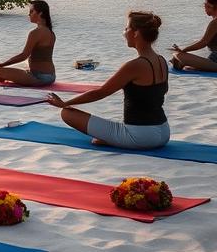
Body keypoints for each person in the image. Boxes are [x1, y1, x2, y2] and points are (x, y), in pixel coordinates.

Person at [46, 11, 169, 149]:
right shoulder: (161, 61)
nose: (124, 33)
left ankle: (115, 140)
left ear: (136, 33)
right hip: (164, 132)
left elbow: (100, 92)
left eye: (126, 28)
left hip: (140, 137)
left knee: (67, 113)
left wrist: (64, 103)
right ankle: (114, 139)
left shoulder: (135, 65)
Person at [0, 0, 56, 86]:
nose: (29, 14)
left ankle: (4, 76)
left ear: (40, 13)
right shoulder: (50, 32)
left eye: (31, 11)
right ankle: (8, 77)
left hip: (39, 77)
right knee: (15, 70)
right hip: (51, 76)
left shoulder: (36, 33)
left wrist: (2, 65)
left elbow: (24, 56)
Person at [169, 0, 217, 72]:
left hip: (215, 62)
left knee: (178, 55)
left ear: (212, 6)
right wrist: (183, 48)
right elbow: (202, 40)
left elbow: (203, 43)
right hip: (213, 60)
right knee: (178, 59)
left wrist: (183, 50)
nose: (204, 8)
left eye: (205, 5)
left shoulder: (215, 23)